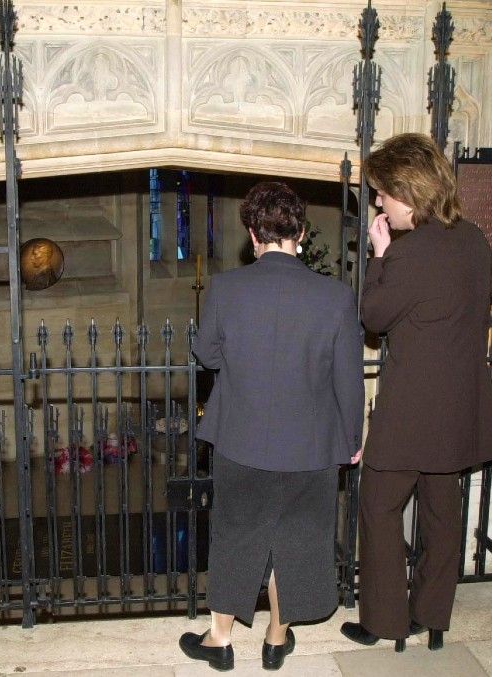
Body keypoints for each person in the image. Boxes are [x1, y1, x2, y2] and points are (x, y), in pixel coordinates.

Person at [179, 181, 365, 671]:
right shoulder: (336, 297)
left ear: (252, 233)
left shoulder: (227, 288)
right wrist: (352, 440)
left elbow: (207, 354)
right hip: (311, 448)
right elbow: (349, 379)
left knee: (236, 534)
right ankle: (276, 640)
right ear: (300, 233)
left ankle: (220, 641)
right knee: (297, 541)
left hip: (241, 442)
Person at [340, 132, 492, 652]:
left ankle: (386, 620)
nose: (379, 203)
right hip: (458, 409)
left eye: (383, 194)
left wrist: (381, 255)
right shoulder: (475, 240)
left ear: (407, 192)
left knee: (380, 507)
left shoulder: (411, 254)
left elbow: (374, 317)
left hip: (411, 412)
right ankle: (433, 618)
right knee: (441, 513)